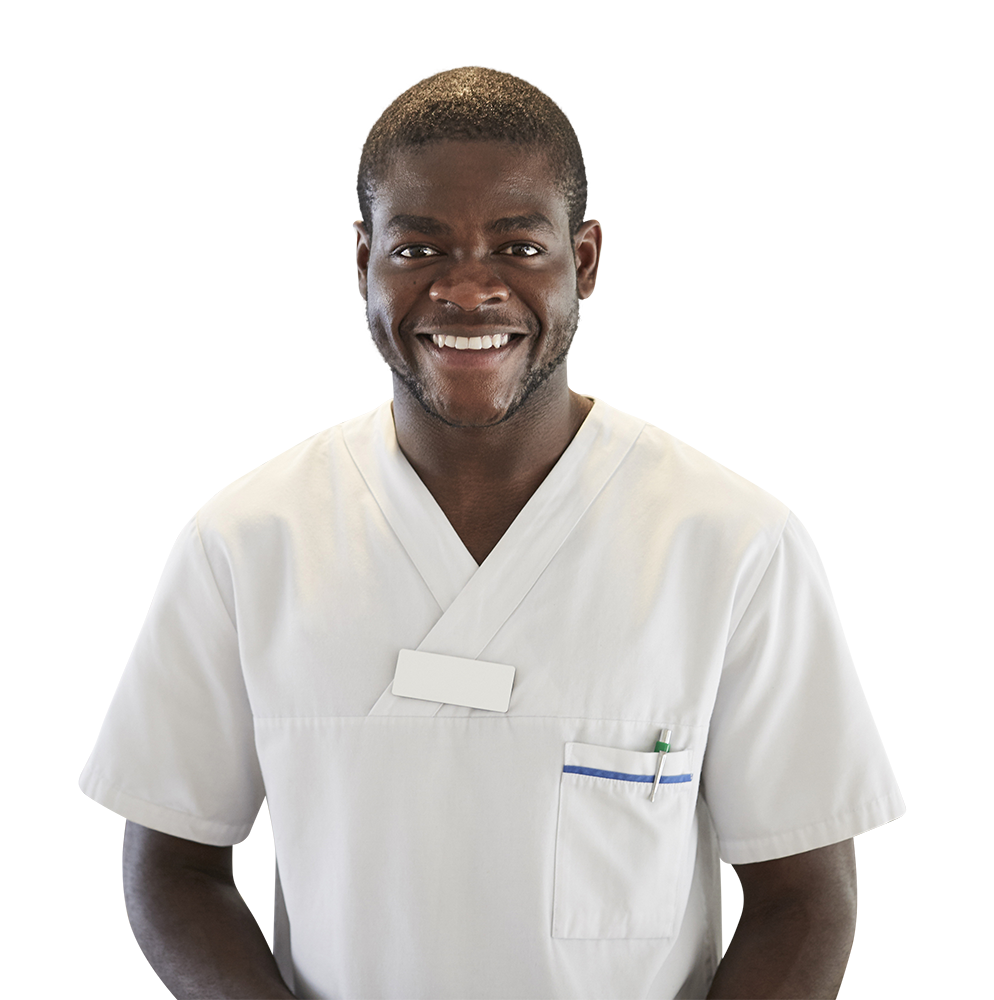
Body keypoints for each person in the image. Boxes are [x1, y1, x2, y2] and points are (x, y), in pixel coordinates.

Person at [80, 64, 905, 1000]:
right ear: (363, 262)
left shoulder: (731, 547)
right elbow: (169, 871)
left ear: (583, 263)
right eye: (418, 248)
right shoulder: (241, 547)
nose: (468, 290)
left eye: (517, 246)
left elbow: (808, 898)